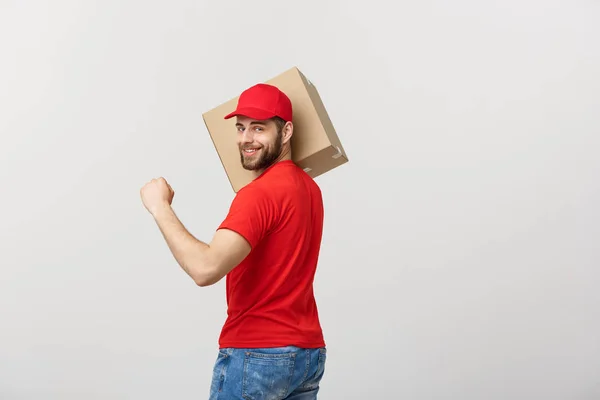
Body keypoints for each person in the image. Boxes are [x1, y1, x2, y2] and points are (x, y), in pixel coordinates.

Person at [140, 83, 327, 399]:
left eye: (258, 128)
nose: (245, 139)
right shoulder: (309, 188)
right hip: (307, 354)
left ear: (286, 132)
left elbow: (205, 268)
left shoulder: (258, 195)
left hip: (258, 354)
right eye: (241, 128)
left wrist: (160, 207)